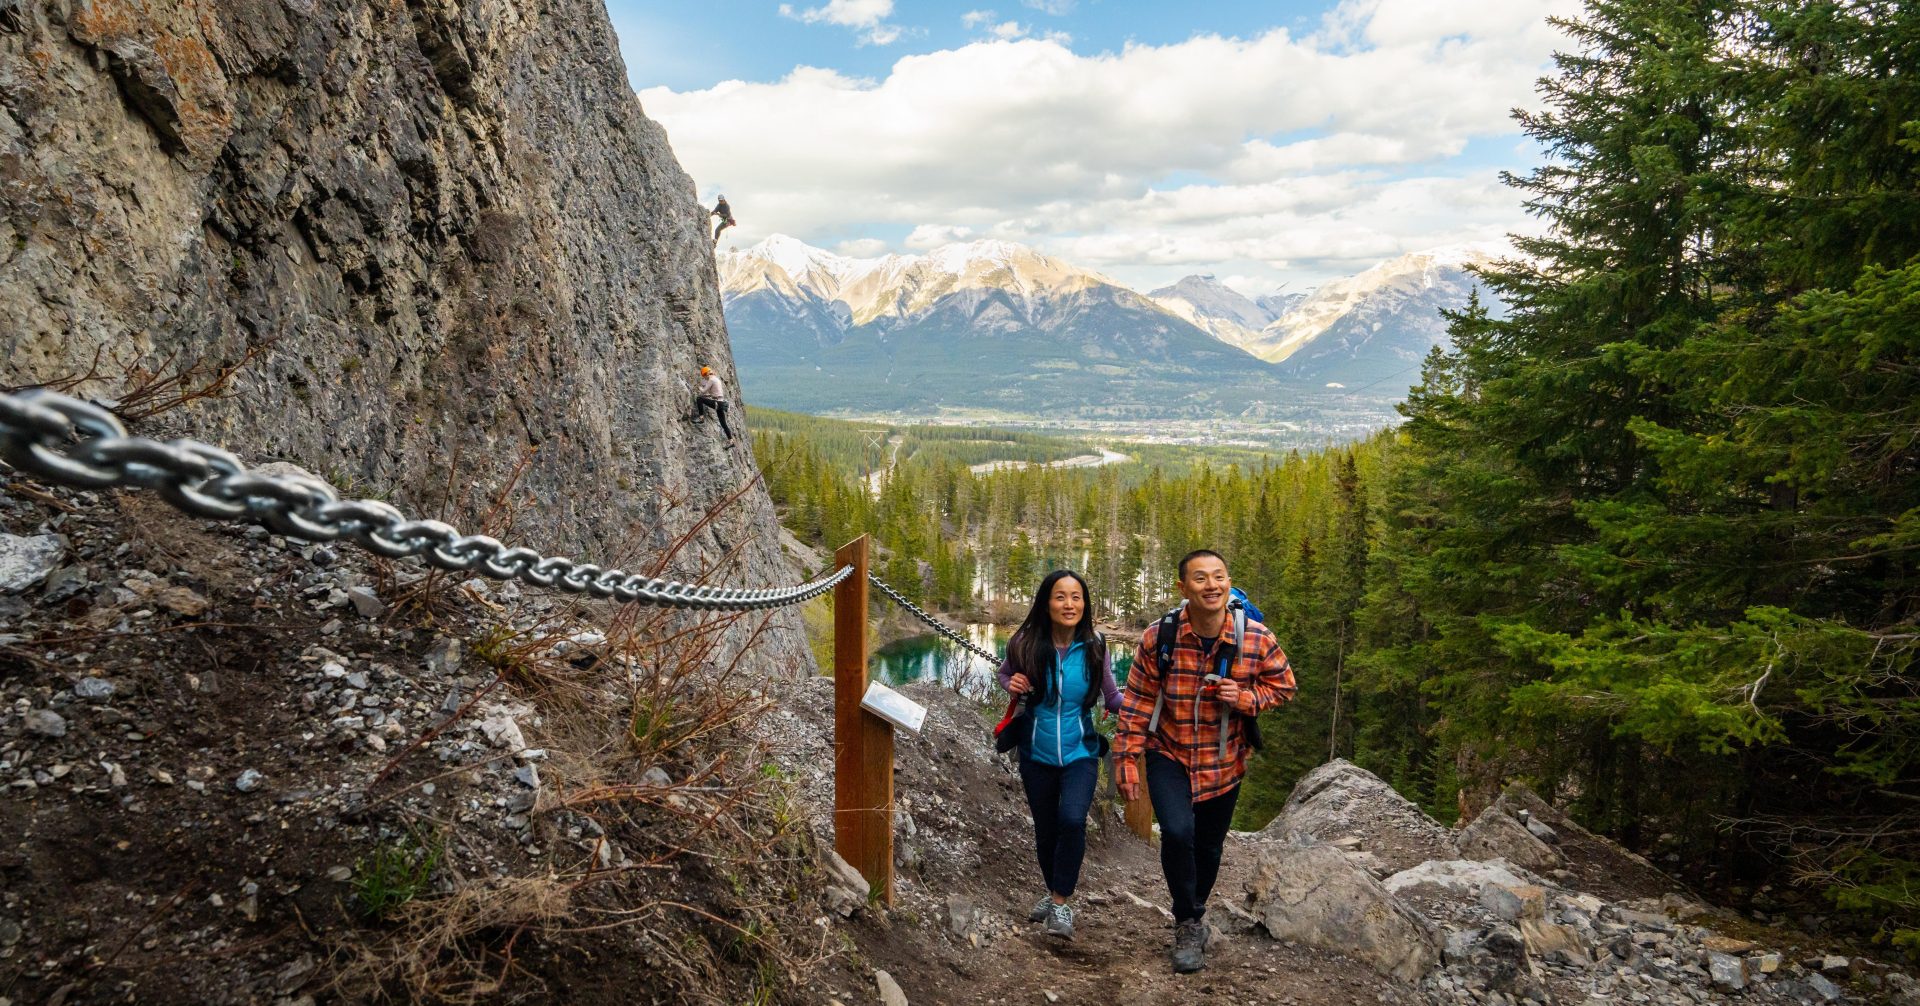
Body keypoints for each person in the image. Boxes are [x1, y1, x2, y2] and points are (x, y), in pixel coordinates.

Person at [1113, 549, 1296, 974]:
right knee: (1177, 832)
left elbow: (1285, 686)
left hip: (1224, 759)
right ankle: (1187, 921)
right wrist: (1126, 760)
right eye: (1200, 578)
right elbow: (1138, 702)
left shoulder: (1256, 638)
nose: (1211, 585)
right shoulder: (1159, 638)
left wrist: (1247, 698)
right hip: (1168, 750)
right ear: (1183, 588)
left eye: (1218, 576)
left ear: (1229, 583)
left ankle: (1194, 907)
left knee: (1210, 846)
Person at [996, 569, 1122, 941]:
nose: (1069, 604)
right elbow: (1005, 674)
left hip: (1080, 750)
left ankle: (1061, 902)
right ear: (1046, 603)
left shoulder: (1096, 645)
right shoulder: (1024, 642)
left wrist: (1149, 706)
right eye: (1060, 597)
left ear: (1085, 604)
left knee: (1071, 820)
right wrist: (1012, 682)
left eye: (1076, 597)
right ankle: (1054, 896)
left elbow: (1112, 698)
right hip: (1035, 752)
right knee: (1046, 830)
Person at [692, 365, 735, 441]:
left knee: (699, 399)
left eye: (704, 376)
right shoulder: (716, 379)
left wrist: (698, 387)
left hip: (717, 403)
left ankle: (701, 418)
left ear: (706, 374)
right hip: (721, 402)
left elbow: (703, 391)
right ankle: (731, 441)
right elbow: (716, 393)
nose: (704, 378)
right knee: (723, 423)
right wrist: (708, 395)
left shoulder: (711, 380)